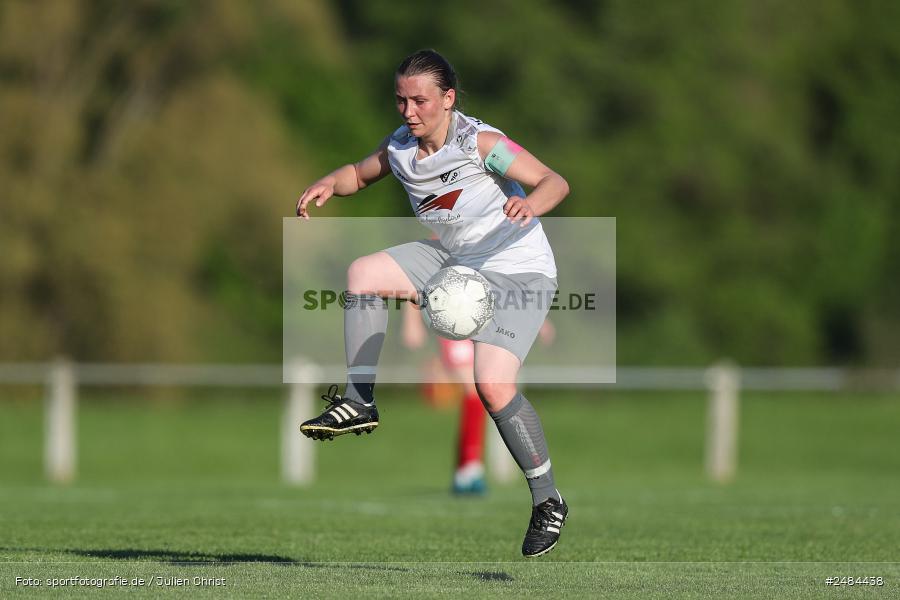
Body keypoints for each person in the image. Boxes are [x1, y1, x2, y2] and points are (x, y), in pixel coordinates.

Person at [295, 49, 570, 558]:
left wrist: (529, 204)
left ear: (448, 98)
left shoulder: (480, 143)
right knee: (363, 274)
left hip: (517, 266)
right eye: (400, 100)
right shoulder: (400, 147)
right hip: (457, 258)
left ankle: (547, 500)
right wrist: (328, 185)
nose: (407, 111)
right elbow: (359, 174)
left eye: (419, 100)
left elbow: (555, 181)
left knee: (490, 384)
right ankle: (359, 401)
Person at [402, 301, 487, 495]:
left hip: (481, 316)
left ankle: (466, 469)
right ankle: (469, 468)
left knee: (482, 391)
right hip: (453, 316)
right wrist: (411, 320)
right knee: (473, 388)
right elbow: (415, 275)